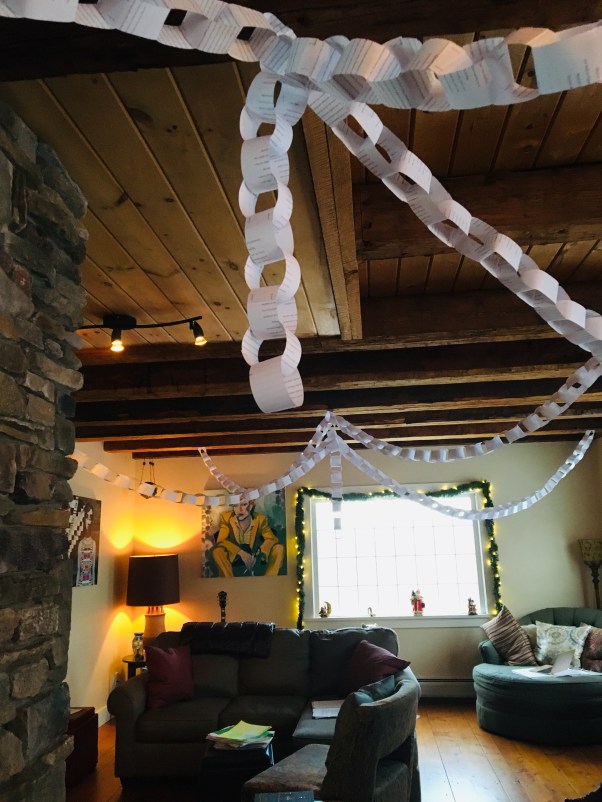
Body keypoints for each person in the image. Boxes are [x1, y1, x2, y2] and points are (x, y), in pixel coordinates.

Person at [211, 499, 284, 577]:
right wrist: (240, 552)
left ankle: (269, 580)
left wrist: (259, 554)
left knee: (279, 548)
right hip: (235, 555)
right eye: (236, 505)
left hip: (255, 554)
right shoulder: (226, 518)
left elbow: (271, 539)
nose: (239, 509)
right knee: (217, 551)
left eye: (244, 504)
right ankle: (229, 583)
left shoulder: (260, 519)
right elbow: (221, 541)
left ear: (251, 506)